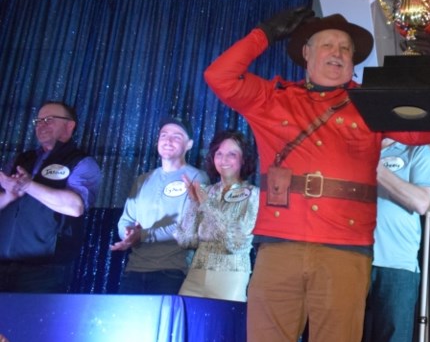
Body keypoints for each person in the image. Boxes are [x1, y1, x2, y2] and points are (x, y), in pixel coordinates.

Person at [204, 6, 430, 342]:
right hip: (278, 250)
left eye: (346, 48)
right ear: (305, 54)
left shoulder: (371, 103)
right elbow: (218, 76)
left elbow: (422, 132)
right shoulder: (273, 99)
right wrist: (263, 33)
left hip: (344, 254)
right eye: (327, 43)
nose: (338, 51)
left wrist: (422, 67)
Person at [354, 140, 430, 342]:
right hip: (350, 261)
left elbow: (422, 202)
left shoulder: (416, 150)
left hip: (398, 267)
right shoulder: (354, 145)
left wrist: (377, 169)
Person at [0, 101, 102, 293]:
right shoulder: (22, 159)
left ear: (69, 125)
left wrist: (29, 185)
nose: (41, 125)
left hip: (43, 269)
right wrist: (9, 195)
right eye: (38, 120)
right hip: (4, 262)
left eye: (48, 120)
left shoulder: (80, 161)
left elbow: (75, 207)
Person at [111, 117, 208, 294]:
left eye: (177, 136)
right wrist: (128, 234)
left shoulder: (197, 178)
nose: (168, 141)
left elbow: (187, 228)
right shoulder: (143, 179)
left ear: (189, 144)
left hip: (172, 272)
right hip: (134, 270)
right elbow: (126, 219)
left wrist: (143, 235)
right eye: (164, 135)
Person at [175, 129, 260, 302]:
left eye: (232, 154)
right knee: (187, 325)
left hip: (230, 277)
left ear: (243, 159)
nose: (224, 160)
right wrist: (193, 202)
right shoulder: (206, 191)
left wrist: (207, 205)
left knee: (223, 327)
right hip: (195, 274)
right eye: (219, 154)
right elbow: (186, 241)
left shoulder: (253, 194)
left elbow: (235, 243)